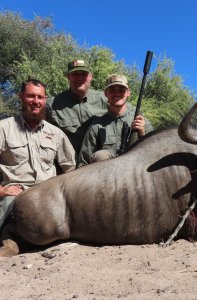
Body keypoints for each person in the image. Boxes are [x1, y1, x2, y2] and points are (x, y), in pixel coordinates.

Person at [0, 79, 76, 230]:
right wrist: (1, 190)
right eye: (31, 96)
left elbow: (71, 170)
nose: (36, 101)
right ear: (21, 97)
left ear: (45, 100)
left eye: (40, 97)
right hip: (17, 194)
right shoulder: (4, 127)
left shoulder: (56, 133)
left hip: (49, 193)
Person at [77, 74, 153, 167]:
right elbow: (83, 162)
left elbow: (155, 152)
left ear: (128, 92)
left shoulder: (142, 122)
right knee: (100, 156)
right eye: (112, 90)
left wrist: (142, 134)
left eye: (121, 90)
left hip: (136, 172)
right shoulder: (96, 125)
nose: (117, 93)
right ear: (105, 93)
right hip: (107, 176)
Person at [46, 59, 108, 157]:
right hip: (68, 164)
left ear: (90, 77)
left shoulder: (106, 100)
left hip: (100, 163)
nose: (79, 78)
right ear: (68, 77)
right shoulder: (52, 104)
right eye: (75, 74)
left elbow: (127, 114)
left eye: (83, 74)